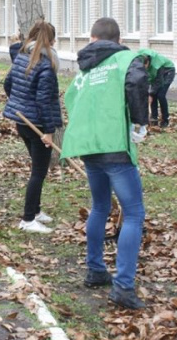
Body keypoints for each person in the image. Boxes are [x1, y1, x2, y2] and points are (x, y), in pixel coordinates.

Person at [61, 17, 149, 310]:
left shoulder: (85, 68)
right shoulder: (126, 59)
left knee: (100, 206)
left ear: (93, 37)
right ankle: (123, 287)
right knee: (134, 213)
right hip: (114, 147)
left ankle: (96, 269)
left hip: (89, 146)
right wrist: (139, 123)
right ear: (117, 38)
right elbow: (137, 83)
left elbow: (71, 98)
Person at [3, 20, 62, 233]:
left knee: (38, 169)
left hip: (23, 122)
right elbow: (44, 101)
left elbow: (7, 84)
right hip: (36, 125)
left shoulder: (22, 57)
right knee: (38, 171)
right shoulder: (46, 66)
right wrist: (48, 132)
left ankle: (36, 211)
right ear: (51, 41)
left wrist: (19, 102)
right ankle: (28, 219)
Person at [138, 48, 176, 128]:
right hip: (156, 75)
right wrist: (147, 93)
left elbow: (158, 81)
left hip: (167, 71)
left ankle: (165, 120)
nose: (144, 69)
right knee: (154, 95)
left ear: (148, 62)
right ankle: (154, 119)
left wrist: (150, 94)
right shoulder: (139, 58)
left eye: (145, 66)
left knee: (160, 95)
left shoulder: (156, 65)